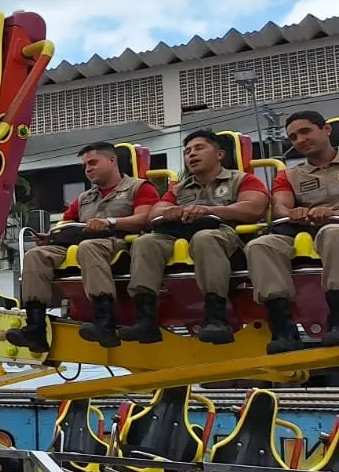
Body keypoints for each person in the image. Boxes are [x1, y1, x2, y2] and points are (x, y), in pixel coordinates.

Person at [5, 142, 159, 351]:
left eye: (93, 163)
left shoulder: (139, 187)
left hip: (122, 244)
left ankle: (105, 321)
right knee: (36, 255)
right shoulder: (84, 198)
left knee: (89, 247)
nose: (88, 169)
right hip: (80, 245)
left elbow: (145, 219)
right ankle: (36, 327)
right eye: (85, 165)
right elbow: (65, 225)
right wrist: (50, 237)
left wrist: (110, 222)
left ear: (112, 161)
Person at [119, 130, 269, 344]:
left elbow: (255, 207)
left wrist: (209, 211)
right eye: (187, 151)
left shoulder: (242, 179)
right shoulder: (179, 188)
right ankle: (145, 319)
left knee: (205, 238)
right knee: (146, 242)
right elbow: (154, 212)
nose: (192, 155)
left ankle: (217, 317)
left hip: (227, 236)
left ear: (220, 154)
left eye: (199, 148)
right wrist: (168, 212)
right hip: (180, 236)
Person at [246, 110, 339, 351]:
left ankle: (337, 322)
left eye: (306, 131)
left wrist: (330, 212)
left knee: (333, 233)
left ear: (326, 129)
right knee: (259, 245)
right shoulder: (288, 175)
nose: (300, 140)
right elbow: (280, 206)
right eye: (293, 137)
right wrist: (292, 212)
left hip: (333, 230)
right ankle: (283, 329)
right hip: (302, 232)